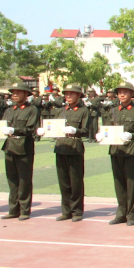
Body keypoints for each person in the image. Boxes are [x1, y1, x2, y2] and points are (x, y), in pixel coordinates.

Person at [96, 81, 134, 226]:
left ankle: (131, 214)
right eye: (119, 92)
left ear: (131, 94)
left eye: (125, 92)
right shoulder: (112, 110)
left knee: (131, 183)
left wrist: (132, 136)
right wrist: (101, 135)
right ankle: (121, 213)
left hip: (130, 151)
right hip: (115, 150)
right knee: (118, 183)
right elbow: (108, 128)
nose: (122, 94)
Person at [36, 83, 88, 222]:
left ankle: (77, 211)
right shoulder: (60, 111)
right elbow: (53, 127)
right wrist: (44, 131)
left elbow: (87, 130)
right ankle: (66, 211)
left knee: (75, 182)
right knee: (63, 181)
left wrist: (75, 131)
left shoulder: (83, 111)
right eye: (66, 94)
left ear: (78, 95)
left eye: (72, 94)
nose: (68, 96)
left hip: (75, 148)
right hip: (60, 147)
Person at [0, 82, 40, 221]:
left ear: (26, 94)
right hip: (10, 147)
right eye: (13, 92)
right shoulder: (9, 110)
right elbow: (2, 126)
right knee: (12, 180)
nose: (15, 94)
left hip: (24, 147)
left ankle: (24, 210)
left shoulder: (32, 110)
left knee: (24, 180)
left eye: (18, 92)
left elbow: (31, 129)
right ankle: (13, 209)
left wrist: (15, 130)